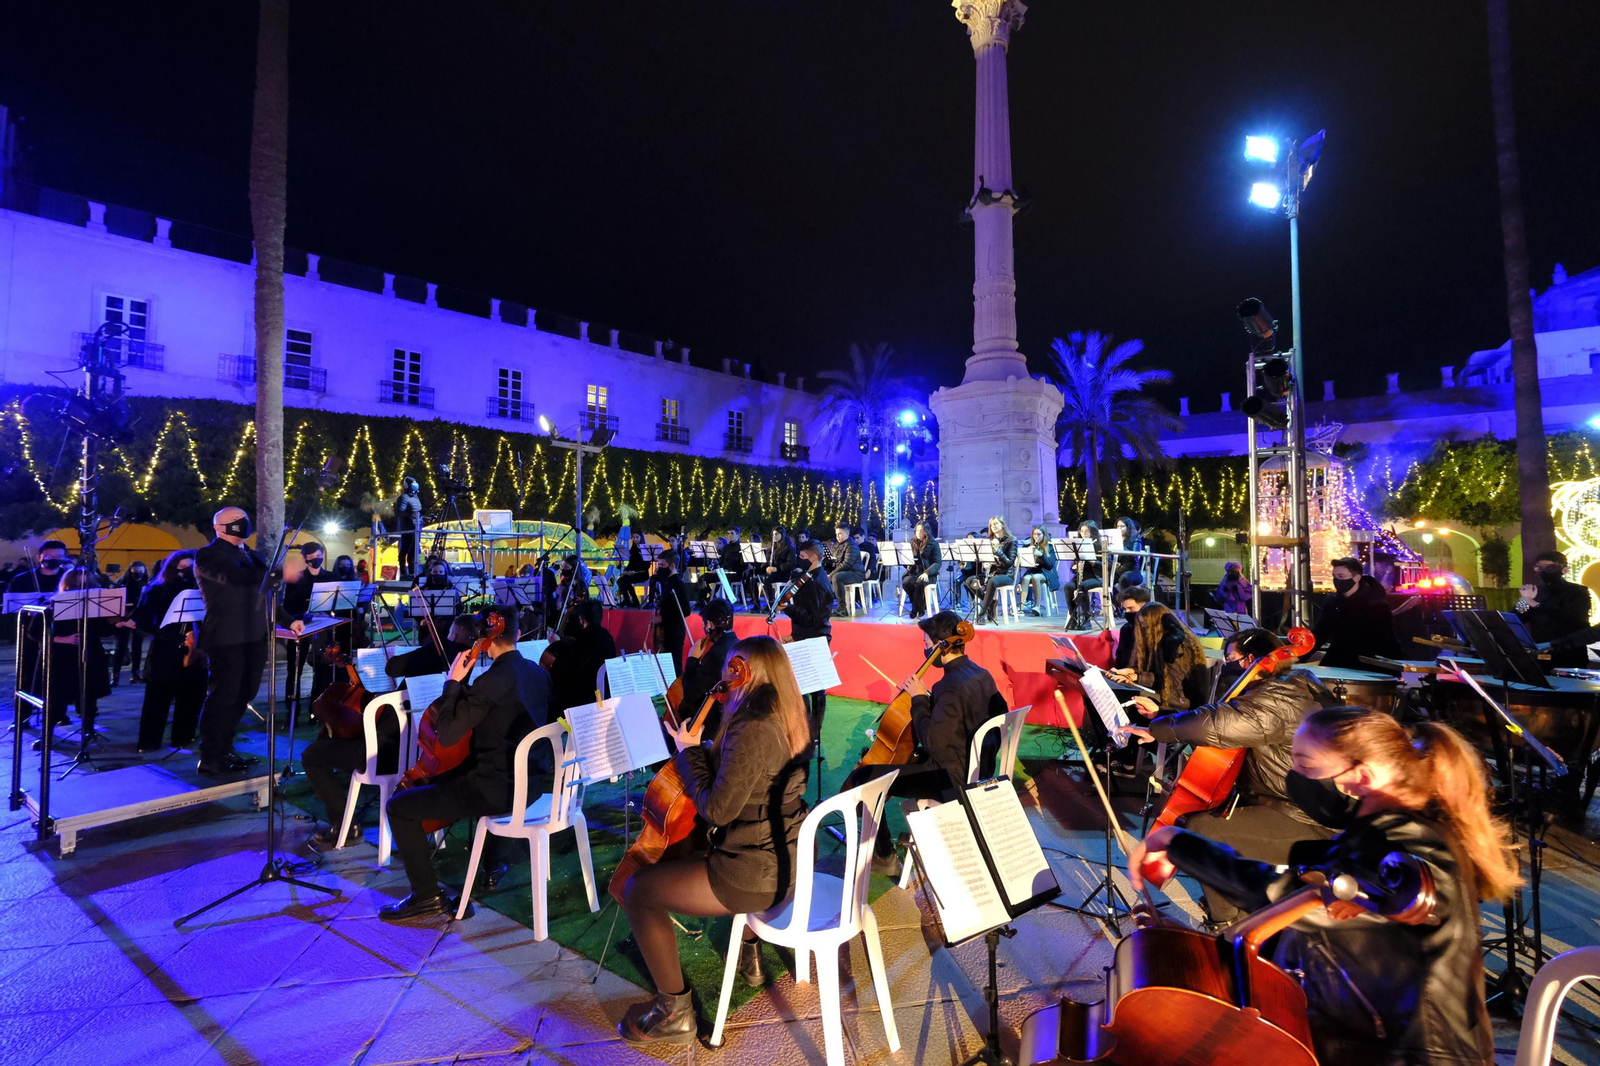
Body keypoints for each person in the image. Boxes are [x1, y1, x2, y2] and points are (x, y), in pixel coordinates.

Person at [1129, 706, 1517, 1066]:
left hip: (1410, 1054)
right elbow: (1321, 933)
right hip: (1363, 1037)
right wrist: (1202, 954)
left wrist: (1178, 843)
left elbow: (1297, 901)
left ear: (1360, 777)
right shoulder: (1381, 828)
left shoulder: (1410, 847)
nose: (1296, 776)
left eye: (1306, 765)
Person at [617, 635, 812, 1045]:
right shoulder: (790, 713)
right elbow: (753, 775)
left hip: (755, 874)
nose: (725, 677)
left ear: (744, 671)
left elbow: (717, 810)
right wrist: (705, 749)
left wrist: (687, 752)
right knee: (690, 853)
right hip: (791, 861)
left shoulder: (752, 726)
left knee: (638, 890)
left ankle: (673, 1014)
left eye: (731, 668)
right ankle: (750, 953)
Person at [1123, 627, 1339, 923]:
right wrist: (1162, 715)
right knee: (1212, 815)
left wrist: (1157, 729)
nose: (1226, 666)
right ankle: (1233, 894)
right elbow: (1226, 715)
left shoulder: (1280, 698)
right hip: (1285, 801)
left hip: (1306, 819)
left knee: (1201, 828)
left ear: (1251, 659)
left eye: (1230, 659)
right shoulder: (1292, 684)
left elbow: (1218, 724)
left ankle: (1225, 921)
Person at [382, 605, 550, 920]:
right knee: (455, 776)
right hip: (533, 784)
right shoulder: (538, 672)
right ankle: (492, 864)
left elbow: (446, 734)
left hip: (496, 790)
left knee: (398, 807)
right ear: (516, 633)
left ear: (487, 636)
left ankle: (426, 896)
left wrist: (453, 683)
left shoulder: (491, 681)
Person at [841, 610, 1007, 877]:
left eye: (926, 644)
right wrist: (932, 703)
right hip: (979, 769)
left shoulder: (949, 686)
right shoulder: (981, 674)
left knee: (864, 777)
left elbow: (933, 743)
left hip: (950, 779)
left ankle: (884, 855)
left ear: (941, 646)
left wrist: (919, 699)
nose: (925, 650)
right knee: (894, 765)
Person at [194, 507, 303, 776]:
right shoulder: (208, 555)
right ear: (218, 527)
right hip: (226, 638)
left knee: (244, 695)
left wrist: (288, 620)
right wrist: (279, 573)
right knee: (223, 696)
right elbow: (236, 577)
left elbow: (267, 595)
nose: (242, 523)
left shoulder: (254, 556)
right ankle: (210, 756)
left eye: (243, 518)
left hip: (255, 636)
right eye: (235, 520)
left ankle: (225, 747)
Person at [132, 551, 207, 752]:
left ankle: (183, 737)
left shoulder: (202, 589)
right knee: (157, 698)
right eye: (181, 568)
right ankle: (149, 742)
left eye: (190, 569)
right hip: (165, 648)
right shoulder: (157, 589)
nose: (185, 573)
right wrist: (166, 634)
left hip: (195, 648)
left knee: (191, 697)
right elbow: (142, 621)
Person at [11, 541, 72, 735]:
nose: (54, 560)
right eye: (49, 557)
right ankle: (23, 716)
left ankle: (59, 714)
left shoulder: (68, 580)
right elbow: (11, 608)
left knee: (58, 677)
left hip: (59, 637)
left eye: (58, 557)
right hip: (30, 636)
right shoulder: (22, 580)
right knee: (26, 676)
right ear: (39, 558)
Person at [48, 566, 114, 747]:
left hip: (91, 653)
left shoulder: (95, 605)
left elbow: (103, 630)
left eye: (86, 585)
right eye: (76, 586)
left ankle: (88, 728)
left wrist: (116, 622)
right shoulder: (54, 604)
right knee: (58, 696)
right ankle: (48, 733)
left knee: (89, 693)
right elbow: (36, 632)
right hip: (64, 656)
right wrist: (63, 639)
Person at [1109, 602, 1210, 711]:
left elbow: (1170, 681)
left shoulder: (1177, 645)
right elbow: (1157, 672)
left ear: (1156, 624)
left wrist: (1136, 676)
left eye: (1145, 625)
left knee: (1127, 703)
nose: (1143, 629)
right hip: (1167, 696)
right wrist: (1131, 671)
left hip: (1180, 706)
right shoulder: (1162, 639)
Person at [783, 540, 836, 739]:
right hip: (807, 635)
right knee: (804, 687)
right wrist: (795, 635)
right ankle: (806, 729)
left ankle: (812, 732)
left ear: (813, 557)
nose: (799, 559)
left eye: (802, 556)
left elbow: (812, 618)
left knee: (814, 687)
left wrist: (787, 608)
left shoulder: (816, 582)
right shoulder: (808, 578)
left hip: (814, 639)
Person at [1313, 557, 1401, 669]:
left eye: (1341, 576)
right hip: (1340, 657)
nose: (1337, 580)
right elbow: (1321, 631)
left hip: (1369, 661)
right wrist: (1300, 655)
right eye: (1334, 576)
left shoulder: (1375, 604)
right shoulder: (1332, 602)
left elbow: (1382, 639)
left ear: (1357, 577)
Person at [1516, 549, 1592, 668]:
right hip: (1540, 651)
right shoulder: (1537, 590)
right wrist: (1523, 600)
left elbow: (1573, 618)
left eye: (1549, 568)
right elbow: (1519, 617)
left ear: (1564, 570)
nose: (1543, 572)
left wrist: (1535, 604)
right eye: (1539, 568)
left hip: (1569, 653)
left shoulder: (1577, 591)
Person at [680, 598, 738, 736]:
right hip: (734, 717)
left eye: (705, 623)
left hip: (714, 726)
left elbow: (691, 695)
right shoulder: (740, 645)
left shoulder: (714, 655)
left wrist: (692, 659)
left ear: (710, 624)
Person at [383, 613, 478, 680]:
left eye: (450, 632)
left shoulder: (440, 648)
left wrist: (424, 650)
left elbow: (392, 669)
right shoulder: (475, 653)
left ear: (454, 636)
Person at [964, 515, 1017, 625]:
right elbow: (985, 560)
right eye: (992, 524)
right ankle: (991, 603)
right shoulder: (988, 541)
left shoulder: (1011, 540)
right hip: (992, 574)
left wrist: (997, 550)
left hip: (1006, 575)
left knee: (992, 582)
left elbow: (1009, 563)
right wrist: (985, 565)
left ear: (1002, 525)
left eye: (996, 523)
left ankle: (981, 614)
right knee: (969, 580)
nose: (994, 526)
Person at [648, 556, 691, 675]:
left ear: (672, 566)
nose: (659, 568)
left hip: (675, 629)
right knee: (666, 665)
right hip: (666, 628)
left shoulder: (678, 583)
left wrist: (662, 618)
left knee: (674, 665)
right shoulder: (666, 581)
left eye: (662, 565)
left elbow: (685, 610)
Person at [112, 560, 150, 685]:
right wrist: (126, 618)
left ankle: (135, 673)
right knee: (121, 646)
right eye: (135, 572)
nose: (138, 574)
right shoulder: (123, 584)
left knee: (137, 647)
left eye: (140, 572)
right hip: (125, 618)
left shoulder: (147, 585)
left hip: (139, 618)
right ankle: (115, 674)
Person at [1064, 520, 1104, 629]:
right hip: (1081, 577)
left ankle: (1087, 619)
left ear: (1093, 532)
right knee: (1068, 587)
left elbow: (1107, 566)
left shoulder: (1100, 546)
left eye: (1087, 531)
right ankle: (1073, 618)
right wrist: (1075, 567)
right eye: (1081, 531)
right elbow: (1073, 567)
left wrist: (1094, 562)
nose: (1084, 534)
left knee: (1082, 586)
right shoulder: (1078, 546)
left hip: (1096, 577)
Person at [900, 521, 942, 618]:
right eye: (917, 530)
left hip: (928, 573)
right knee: (906, 582)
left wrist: (927, 572)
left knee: (919, 582)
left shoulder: (933, 544)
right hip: (914, 572)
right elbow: (907, 561)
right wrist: (904, 560)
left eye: (922, 530)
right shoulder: (912, 543)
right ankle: (919, 606)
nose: (919, 533)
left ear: (927, 531)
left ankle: (916, 609)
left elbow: (937, 563)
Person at [1019, 525, 1059, 616]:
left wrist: (1041, 555)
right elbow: (1025, 565)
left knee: (1035, 577)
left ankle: (1037, 607)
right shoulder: (1029, 546)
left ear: (1044, 535)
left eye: (1039, 534)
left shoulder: (1050, 547)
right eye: (1034, 534)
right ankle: (1021, 607)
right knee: (1025, 578)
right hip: (1033, 571)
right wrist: (1027, 554)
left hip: (1047, 572)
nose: (1036, 536)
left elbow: (1050, 565)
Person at [825, 523, 864, 615]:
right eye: (836, 534)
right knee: (821, 574)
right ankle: (823, 605)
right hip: (844, 571)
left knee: (836, 577)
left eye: (840, 534)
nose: (838, 536)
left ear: (847, 533)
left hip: (855, 573)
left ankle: (842, 608)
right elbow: (835, 561)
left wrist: (831, 574)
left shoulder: (852, 545)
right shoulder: (837, 545)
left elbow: (847, 564)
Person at [1114, 585, 1152, 671]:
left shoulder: (1155, 630)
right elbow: (1120, 657)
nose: (1127, 612)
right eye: (1125, 609)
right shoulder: (1126, 629)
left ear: (1144, 608)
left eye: (1131, 608)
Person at [395, 476, 423, 578]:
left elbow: (418, 510)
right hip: (408, 528)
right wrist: (411, 514)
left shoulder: (416, 497)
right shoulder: (404, 497)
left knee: (414, 551)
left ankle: (412, 572)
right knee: (405, 549)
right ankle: (404, 572)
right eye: (412, 482)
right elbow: (399, 512)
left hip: (417, 527)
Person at [762, 526, 797, 607]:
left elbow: (791, 564)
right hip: (773, 573)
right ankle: (768, 601)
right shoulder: (772, 549)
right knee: (762, 578)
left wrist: (776, 568)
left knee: (767, 579)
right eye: (773, 534)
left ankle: (771, 603)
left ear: (782, 535)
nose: (774, 536)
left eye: (777, 534)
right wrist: (766, 567)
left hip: (784, 573)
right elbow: (766, 561)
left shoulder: (789, 549)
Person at [718, 527, 753, 607]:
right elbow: (721, 561)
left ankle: (728, 602)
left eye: (732, 533)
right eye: (728, 533)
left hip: (736, 573)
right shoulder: (726, 547)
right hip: (724, 572)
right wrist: (719, 569)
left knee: (726, 578)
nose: (729, 535)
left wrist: (730, 569)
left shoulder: (742, 547)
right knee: (704, 578)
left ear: (738, 535)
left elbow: (744, 564)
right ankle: (705, 600)